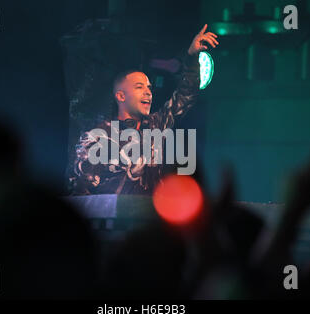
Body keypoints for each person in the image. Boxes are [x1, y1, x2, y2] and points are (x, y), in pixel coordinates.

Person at [70, 24, 219, 195]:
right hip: (113, 218)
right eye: (139, 87)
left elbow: (184, 96)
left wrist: (192, 58)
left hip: (149, 219)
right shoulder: (101, 136)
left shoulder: (156, 125)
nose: (148, 92)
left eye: (149, 87)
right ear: (121, 96)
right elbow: (80, 189)